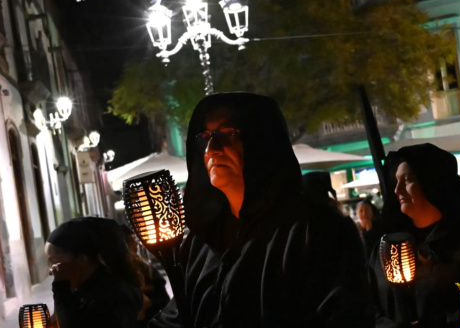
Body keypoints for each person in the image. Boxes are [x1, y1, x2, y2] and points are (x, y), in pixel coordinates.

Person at [150, 92, 371, 327]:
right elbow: (178, 317)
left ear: (261, 140)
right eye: (206, 137)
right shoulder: (201, 242)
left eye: (227, 134)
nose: (212, 149)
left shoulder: (317, 231)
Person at [369, 143, 460, 328]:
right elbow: (366, 309)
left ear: (433, 182)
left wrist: (450, 283)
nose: (397, 190)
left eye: (407, 180)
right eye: (396, 180)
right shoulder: (385, 248)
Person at [46, 217, 143, 328]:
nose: (51, 271)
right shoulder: (84, 290)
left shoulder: (113, 295)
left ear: (81, 258)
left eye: (54, 262)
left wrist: (61, 289)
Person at [121, 225, 170, 327]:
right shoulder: (118, 275)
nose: (136, 243)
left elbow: (164, 301)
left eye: (135, 239)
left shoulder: (147, 270)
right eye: (132, 240)